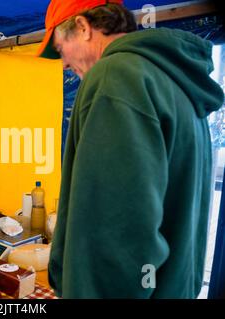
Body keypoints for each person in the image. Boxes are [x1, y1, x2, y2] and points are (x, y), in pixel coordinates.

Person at [37, 0, 224, 298]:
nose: (64, 64)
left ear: (84, 28)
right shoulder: (178, 84)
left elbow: (119, 235)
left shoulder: (115, 75)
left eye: (61, 49)